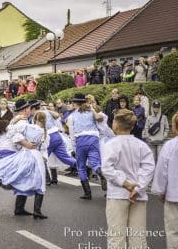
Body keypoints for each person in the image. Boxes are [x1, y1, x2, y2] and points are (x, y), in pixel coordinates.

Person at [101, 109, 155, 249]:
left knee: (116, 236)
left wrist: (125, 184)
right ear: (131, 126)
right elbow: (149, 167)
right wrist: (138, 187)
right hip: (138, 195)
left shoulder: (111, 144)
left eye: (113, 120)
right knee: (138, 236)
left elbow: (107, 169)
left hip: (118, 194)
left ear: (116, 125)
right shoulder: (141, 145)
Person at [67, 93, 107, 199]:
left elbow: (72, 134)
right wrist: (92, 109)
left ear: (75, 103)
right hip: (93, 138)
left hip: (81, 140)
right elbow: (100, 120)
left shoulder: (71, 117)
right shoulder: (91, 112)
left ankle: (87, 193)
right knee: (95, 163)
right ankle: (101, 173)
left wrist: (73, 148)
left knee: (81, 167)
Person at [151, 113, 178, 249]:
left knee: (173, 230)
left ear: (174, 127)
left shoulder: (170, 145)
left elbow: (162, 170)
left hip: (173, 194)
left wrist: (160, 190)